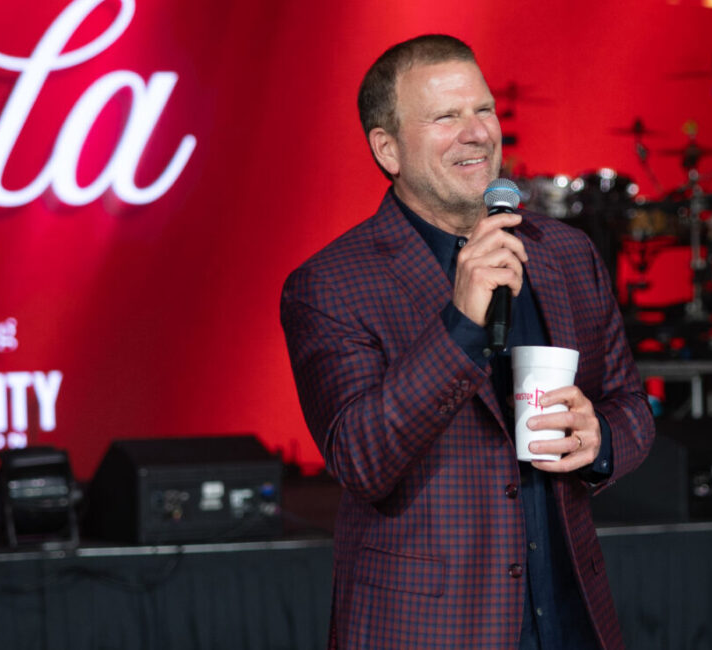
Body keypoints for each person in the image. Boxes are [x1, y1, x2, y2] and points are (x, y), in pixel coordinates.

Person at [280, 35, 655, 649]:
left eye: (482, 110)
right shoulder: (329, 285)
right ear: (388, 149)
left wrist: (603, 439)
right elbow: (360, 458)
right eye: (445, 117)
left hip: (570, 622)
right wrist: (459, 322)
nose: (476, 132)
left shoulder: (565, 253)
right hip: (426, 632)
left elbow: (631, 404)